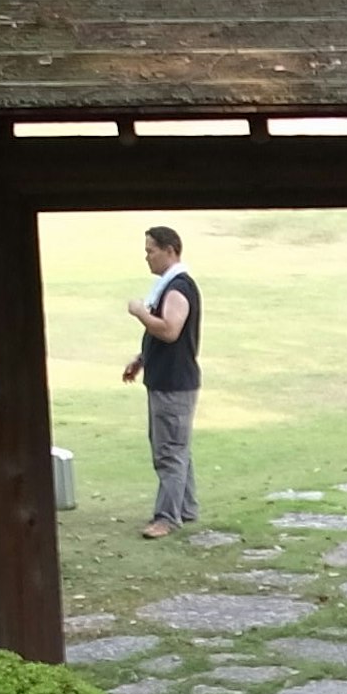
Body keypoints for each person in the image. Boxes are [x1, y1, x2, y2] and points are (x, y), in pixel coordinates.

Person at [119, 225, 201, 537]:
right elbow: (161, 340)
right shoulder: (169, 285)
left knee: (169, 451)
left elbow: (170, 330)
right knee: (177, 447)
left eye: (150, 251)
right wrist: (141, 359)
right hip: (167, 379)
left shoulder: (178, 288)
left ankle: (167, 518)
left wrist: (140, 312)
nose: (147, 257)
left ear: (170, 250)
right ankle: (186, 507)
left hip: (174, 384)